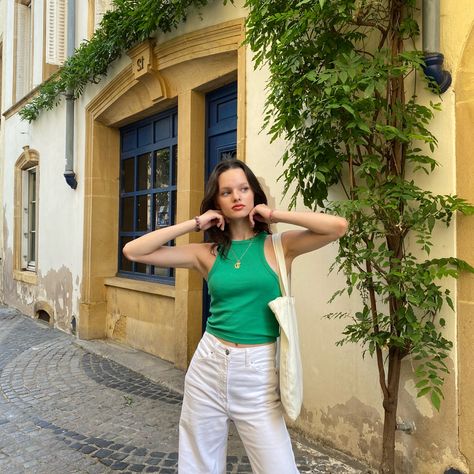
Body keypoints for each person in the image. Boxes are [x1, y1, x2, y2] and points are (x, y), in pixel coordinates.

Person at [122, 159, 348, 474]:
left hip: (257, 373)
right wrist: (195, 224)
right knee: (198, 465)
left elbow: (338, 226)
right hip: (208, 365)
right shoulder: (205, 253)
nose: (236, 196)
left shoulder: (279, 246)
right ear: (217, 202)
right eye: (226, 192)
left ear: (254, 194)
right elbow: (134, 251)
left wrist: (273, 214)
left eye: (243, 189)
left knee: (278, 467)